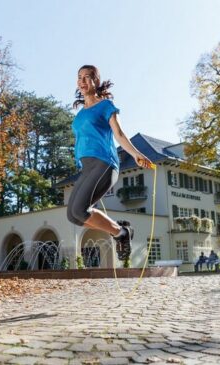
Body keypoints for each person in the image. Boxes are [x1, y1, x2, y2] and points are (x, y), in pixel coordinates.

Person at [67, 65, 153, 261]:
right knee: (73, 216)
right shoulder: (80, 114)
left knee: (80, 210)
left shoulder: (106, 105)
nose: (82, 81)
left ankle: (121, 234)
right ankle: (121, 230)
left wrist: (136, 154)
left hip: (104, 163)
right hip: (86, 167)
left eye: (87, 77)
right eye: (79, 77)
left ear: (96, 82)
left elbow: (119, 134)